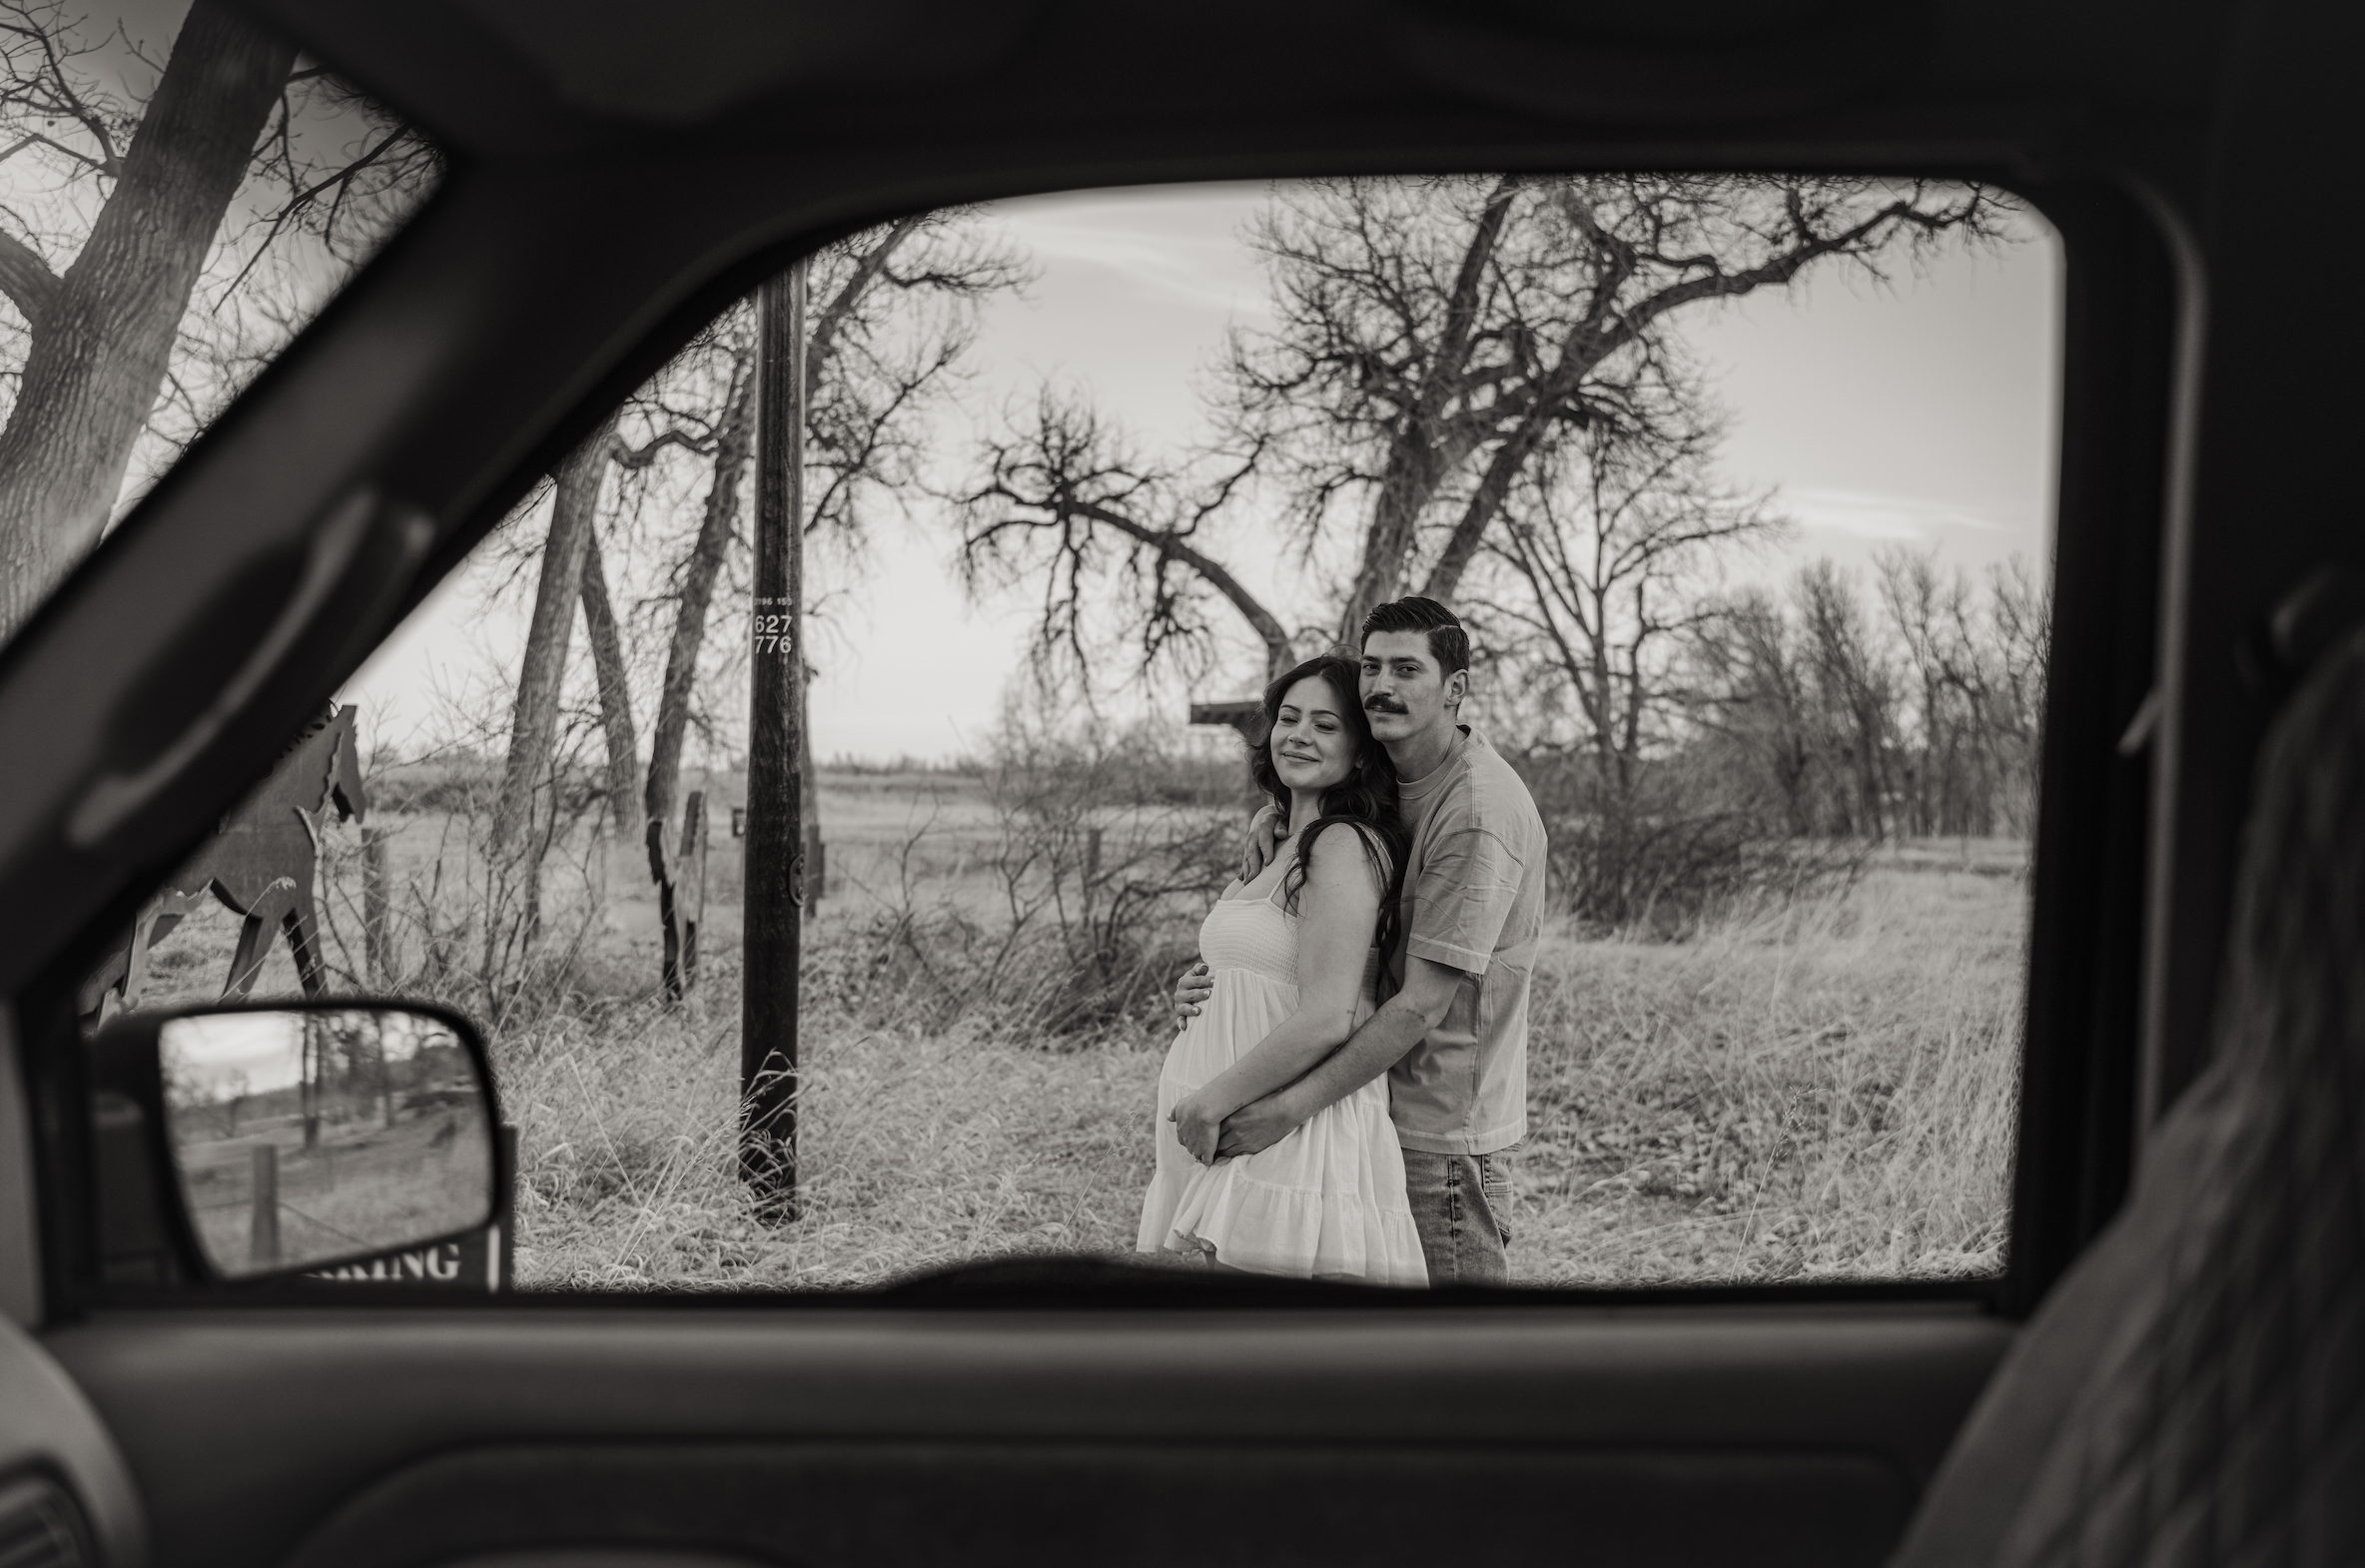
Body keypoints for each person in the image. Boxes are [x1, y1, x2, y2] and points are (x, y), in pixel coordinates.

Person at [1174, 597, 1547, 1285]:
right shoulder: (1405, 782)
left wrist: (1283, 1111)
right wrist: (1281, 819)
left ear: (1455, 688)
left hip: (1435, 1124)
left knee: (1454, 1359)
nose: (1383, 685)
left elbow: (1416, 1008)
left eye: (1407, 669)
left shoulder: (1477, 814)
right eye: (1373, 666)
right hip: (1362, 1100)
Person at [1136, 653, 1427, 1285]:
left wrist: (1210, 1103)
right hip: (1225, 1126)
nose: (1299, 734)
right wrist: (1204, 985)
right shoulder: (1282, 840)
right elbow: (1266, 965)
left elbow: (1328, 1016)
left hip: (1275, 1133)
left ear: (1360, 749)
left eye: (1326, 725)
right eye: (1289, 717)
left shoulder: (1343, 845)